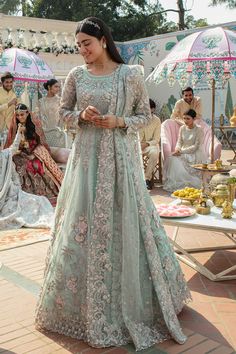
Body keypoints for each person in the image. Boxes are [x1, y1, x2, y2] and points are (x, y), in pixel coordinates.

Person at [35, 17, 190, 351]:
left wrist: (119, 121)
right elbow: (62, 112)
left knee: (127, 219)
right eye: (78, 46)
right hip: (86, 160)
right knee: (83, 223)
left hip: (120, 160)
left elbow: (145, 116)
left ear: (103, 40)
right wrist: (80, 116)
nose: (82, 51)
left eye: (86, 44)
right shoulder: (76, 76)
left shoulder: (130, 74)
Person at [4, 103, 63, 206]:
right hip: (21, 153)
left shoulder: (34, 124)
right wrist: (19, 137)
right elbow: (13, 144)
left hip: (35, 151)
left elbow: (40, 142)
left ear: (27, 113)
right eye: (17, 115)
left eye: (22, 114)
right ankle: (23, 193)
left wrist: (32, 152)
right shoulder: (15, 126)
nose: (19, 117)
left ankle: (44, 193)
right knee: (18, 165)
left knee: (35, 165)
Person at [0, 124, 54, 230]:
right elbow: (14, 147)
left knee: (37, 201)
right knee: (36, 202)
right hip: (7, 194)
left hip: (9, 191)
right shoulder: (5, 155)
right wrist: (19, 133)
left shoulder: (4, 155)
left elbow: (15, 147)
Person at [163, 109, 206, 192]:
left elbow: (196, 146)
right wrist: (177, 149)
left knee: (176, 159)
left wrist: (181, 152)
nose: (185, 121)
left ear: (194, 119)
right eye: (184, 118)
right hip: (182, 151)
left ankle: (187, 182)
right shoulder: (182, 128)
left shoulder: (199, 130)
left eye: (188, 118)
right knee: (172, 158)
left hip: (194, 154)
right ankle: (177, 182)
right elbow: (179, 141)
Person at [139, 98, 161, 190]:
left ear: (153, 109)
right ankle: (135, 180)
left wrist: (147, 144)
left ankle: (146, 179)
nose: (148, 114)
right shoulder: (138, 119)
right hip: (135, 145)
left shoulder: (156, 120)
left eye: (150, 111)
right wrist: (137, 144)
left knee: (154, 152)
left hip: (149, 146)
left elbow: (156, 139)